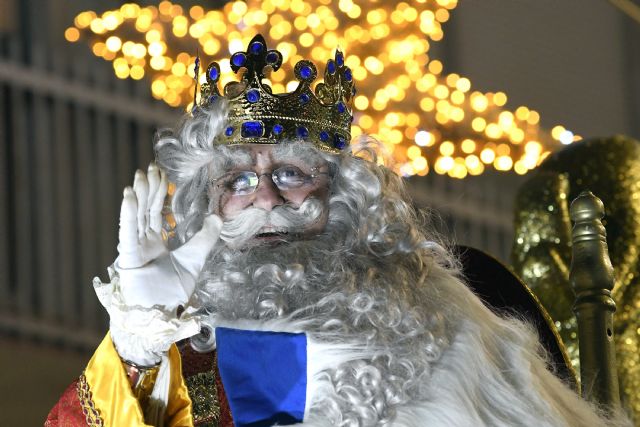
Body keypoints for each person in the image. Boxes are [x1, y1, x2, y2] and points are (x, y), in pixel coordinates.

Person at [46, 35, 628, 427]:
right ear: (211, 206)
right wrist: (136, 341)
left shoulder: (445, 312)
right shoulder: (175, 350)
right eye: (239, 183)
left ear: (344, 192)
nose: (267, 199)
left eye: (292, 174)